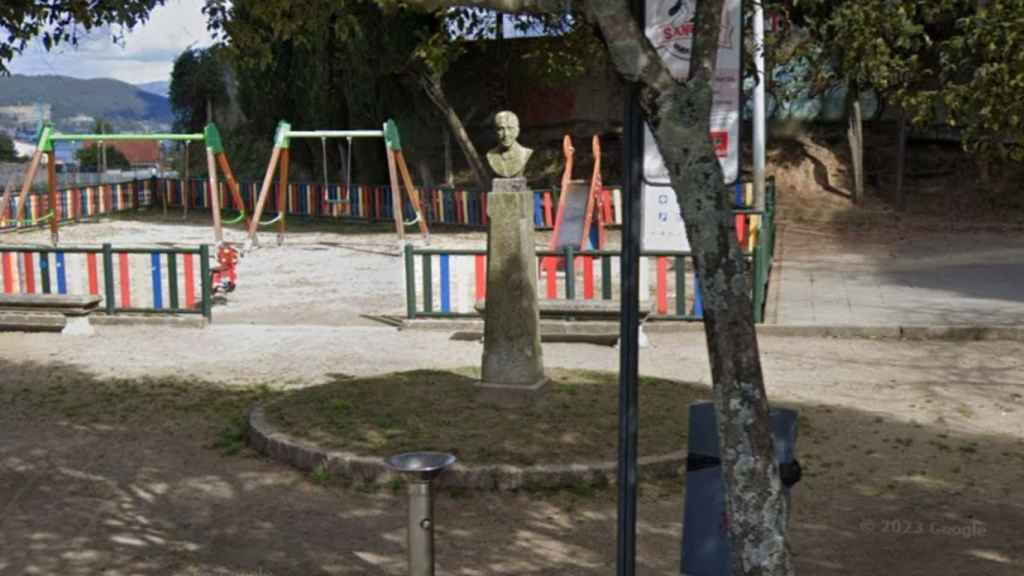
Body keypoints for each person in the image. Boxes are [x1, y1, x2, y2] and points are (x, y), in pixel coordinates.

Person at [486, 111, 532, 179]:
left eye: (510, 128)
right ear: (495, 131)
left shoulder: (526, 154)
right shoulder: (490, 156)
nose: (506, 134)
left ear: (517, 131)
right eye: (501, 129)